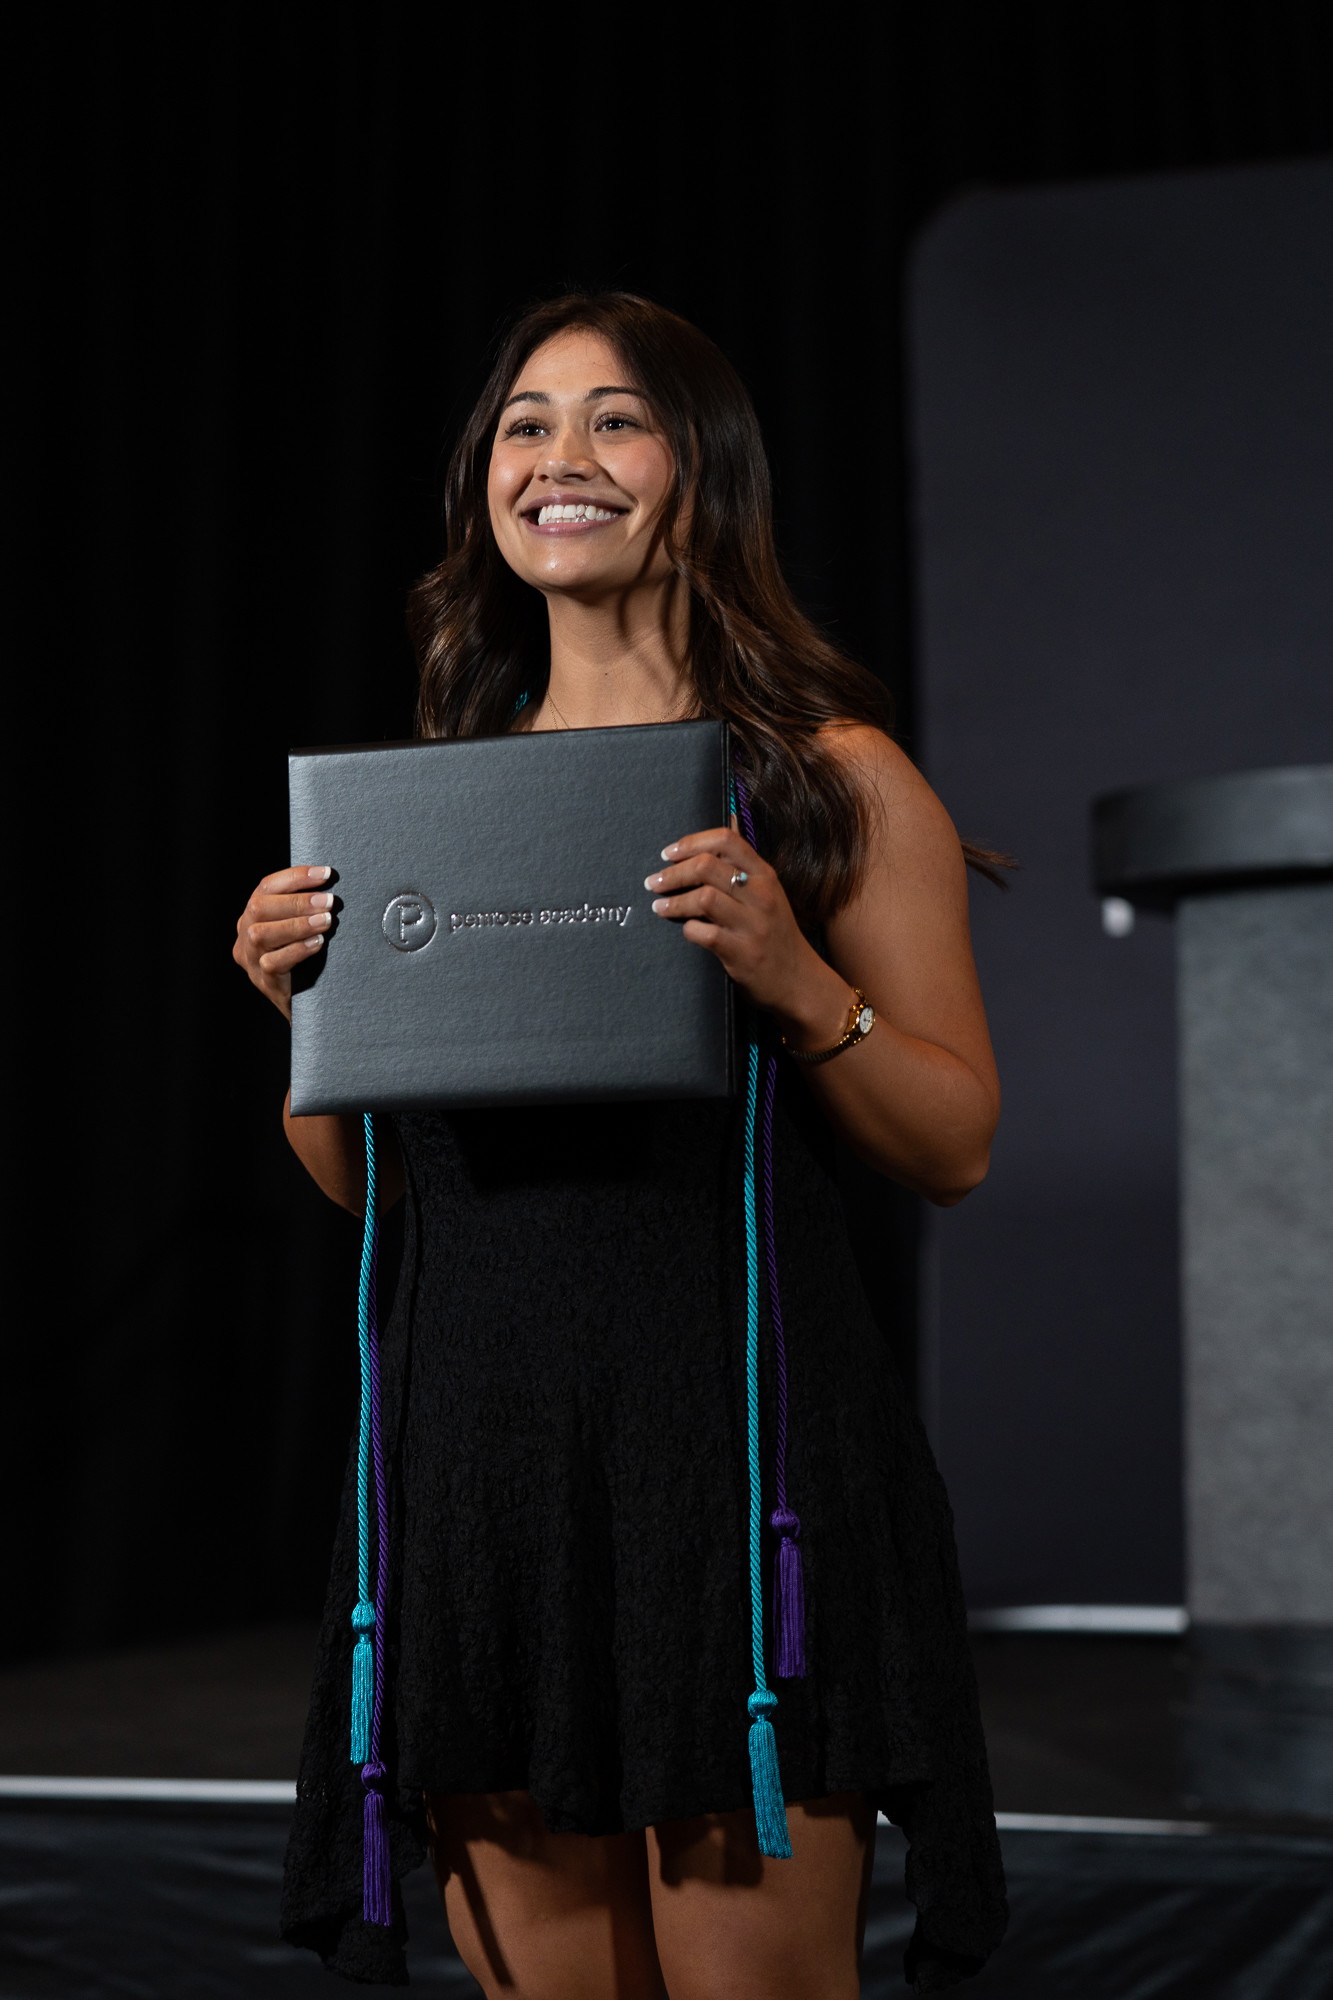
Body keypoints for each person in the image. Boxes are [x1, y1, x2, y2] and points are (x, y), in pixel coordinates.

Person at [234, 293, 1008, 1997]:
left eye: (614, 419)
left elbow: (952, 1140)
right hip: (481, 1478)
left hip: (735, 1468)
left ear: (701, 468)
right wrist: (310, 1020)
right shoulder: (422, 811)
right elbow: (377, 1197)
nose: (558, 458)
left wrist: (796, 982)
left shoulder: (825, 779)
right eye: (523, 423)